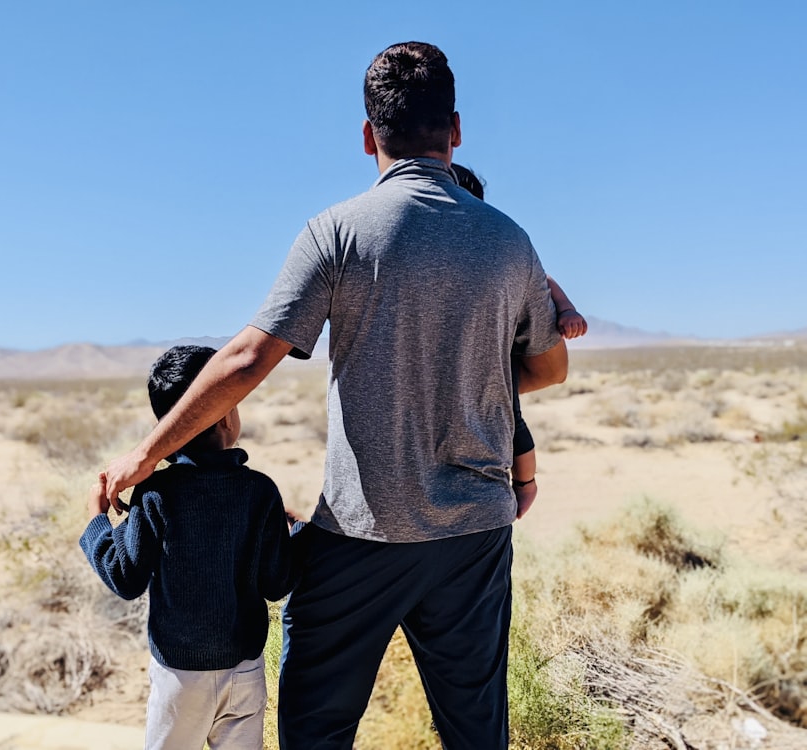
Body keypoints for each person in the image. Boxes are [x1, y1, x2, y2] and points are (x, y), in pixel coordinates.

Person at [103, 41, 569, 749]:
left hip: (362, 534)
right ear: (456, 129)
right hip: (474, 534)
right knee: (477, 731)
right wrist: (466, 367)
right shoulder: (511, 242)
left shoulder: (338, 233)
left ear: (366, 135)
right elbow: (548, 368)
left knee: (316, 728)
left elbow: (248, 358)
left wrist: (147, 453)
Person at [80, 345, 300, 750]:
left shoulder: (157, 493)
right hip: (245, 672)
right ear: (227, 409)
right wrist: (293, 529)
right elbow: (277, 582)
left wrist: (97, 522)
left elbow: (124, 577)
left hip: (180, 677)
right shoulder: (259, 491)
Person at [452, 163, 588, 518]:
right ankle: (524, 485)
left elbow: (543, 280)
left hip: (502, 355)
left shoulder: (496, 251)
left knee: (512, 420)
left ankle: (526, 485)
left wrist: (567, 310)